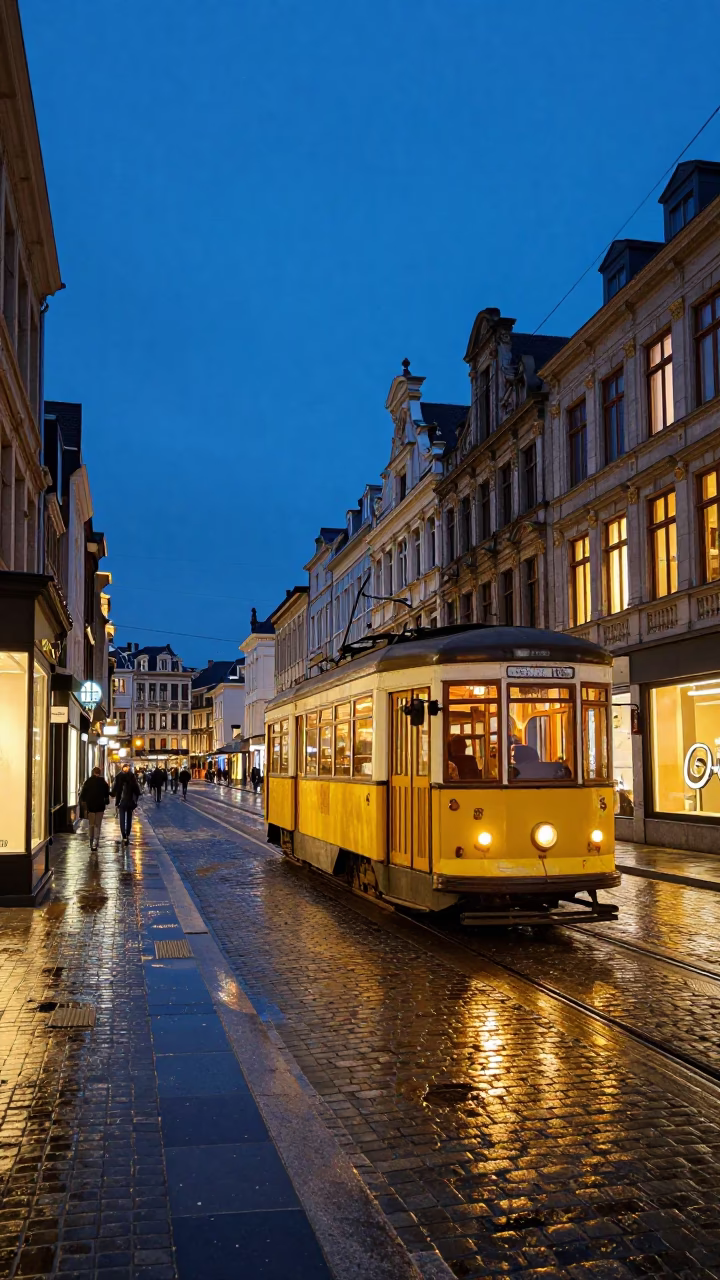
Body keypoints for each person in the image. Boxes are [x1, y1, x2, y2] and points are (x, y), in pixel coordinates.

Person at [79, 766, 110, 852]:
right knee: (98, 825)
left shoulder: (88, 781)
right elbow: (107, 793)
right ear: (99, 773)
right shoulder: (103, 782)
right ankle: (96, 841)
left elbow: (83, 795)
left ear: (92, 772)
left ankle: (91, 840)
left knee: (91, 824)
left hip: (91, 807)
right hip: (100, 807)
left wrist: (84, 803)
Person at [111, 764, 140, 845]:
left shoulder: (119, 776)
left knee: (122, 818)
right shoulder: (132, 776)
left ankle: (123, 835)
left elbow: (115, 790)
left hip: (121, 801)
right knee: (129, 818)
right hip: (130, 801)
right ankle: (127, 834)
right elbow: (136, 790)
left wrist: (112, 795)